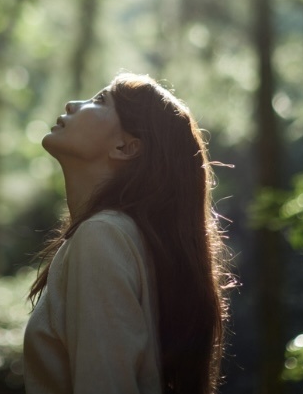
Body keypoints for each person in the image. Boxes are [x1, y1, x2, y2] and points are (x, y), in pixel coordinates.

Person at [23, 72, 230, 394]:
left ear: (125, 147)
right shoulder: (123, 238)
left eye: (100, 100)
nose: (72, 104)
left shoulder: (101, 236)